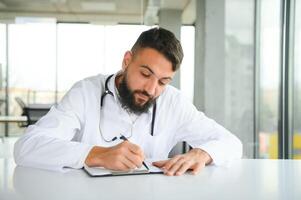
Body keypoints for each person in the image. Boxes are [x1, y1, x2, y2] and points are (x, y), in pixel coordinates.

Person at [14, 27, 242, 176]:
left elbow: (232, 143)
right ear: (126, 61)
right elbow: (26, 148)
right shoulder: (85, 92)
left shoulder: (174, 102)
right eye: (145, 74)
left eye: (163, 81)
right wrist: (94, 154)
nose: (152, 89)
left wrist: (201, 153)